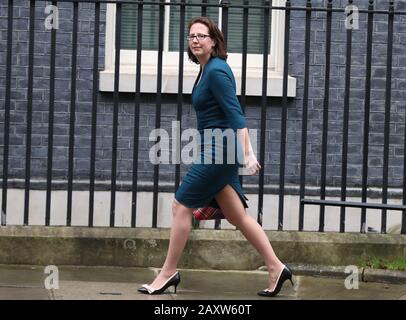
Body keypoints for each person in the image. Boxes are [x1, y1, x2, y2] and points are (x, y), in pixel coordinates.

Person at [138, 16, 293, 297]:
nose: (195, 40)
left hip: (219, 153)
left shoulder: (216, 71)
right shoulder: (206, 68)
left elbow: (235, 113)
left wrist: (248, 152)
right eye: (191, 36)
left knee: (180, 205)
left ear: (214, 41)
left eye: (201, 36)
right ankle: (276, 267)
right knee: (238, 217)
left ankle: (168, 273)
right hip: (215, 148)